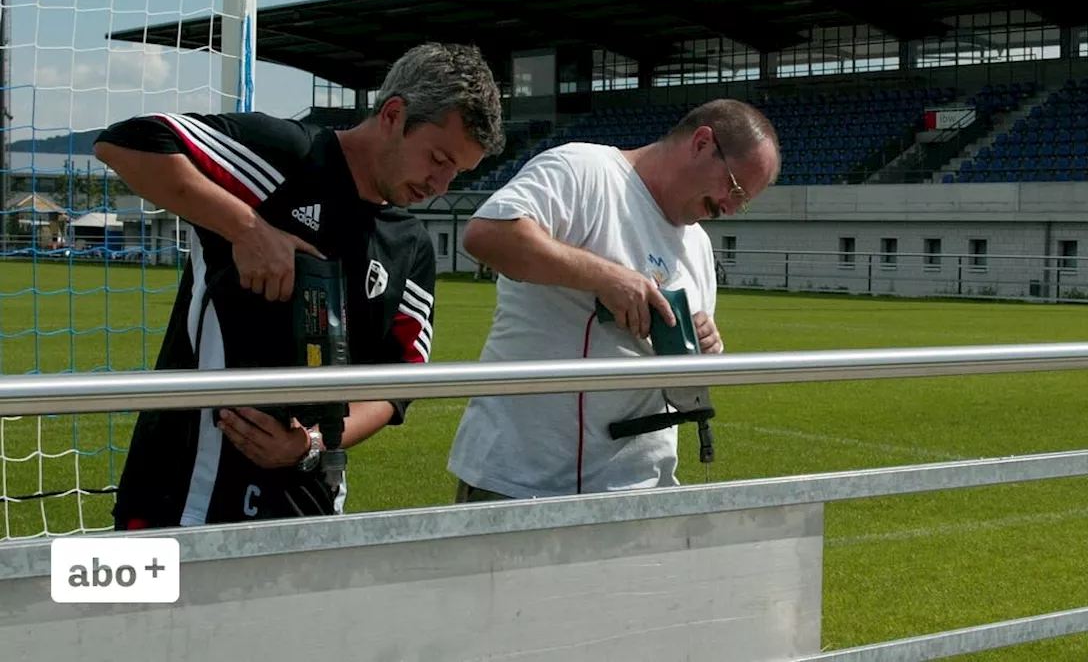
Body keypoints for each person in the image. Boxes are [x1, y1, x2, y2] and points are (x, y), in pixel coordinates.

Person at [93, 41, 505, 529]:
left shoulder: (410, 246)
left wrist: (310, 443)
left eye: (457, 171)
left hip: (306, 500)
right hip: (179, 488)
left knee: (291, 608)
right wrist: (248, 230)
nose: (441, 183)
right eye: (438, 158)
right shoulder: (289, 157)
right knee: (121, 600)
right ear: (393, 114)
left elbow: (398, 384)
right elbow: (124, 143)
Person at [448, 98, 780, 501]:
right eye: (734, 187)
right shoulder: (585, 171)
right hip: (521, 481)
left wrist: (704, 349)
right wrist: (605, 277)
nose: (729, 208)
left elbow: (679, 378)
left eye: (742, 204)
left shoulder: (698, 247)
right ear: (702, 143)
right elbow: (487, 235)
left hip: (639, 490)